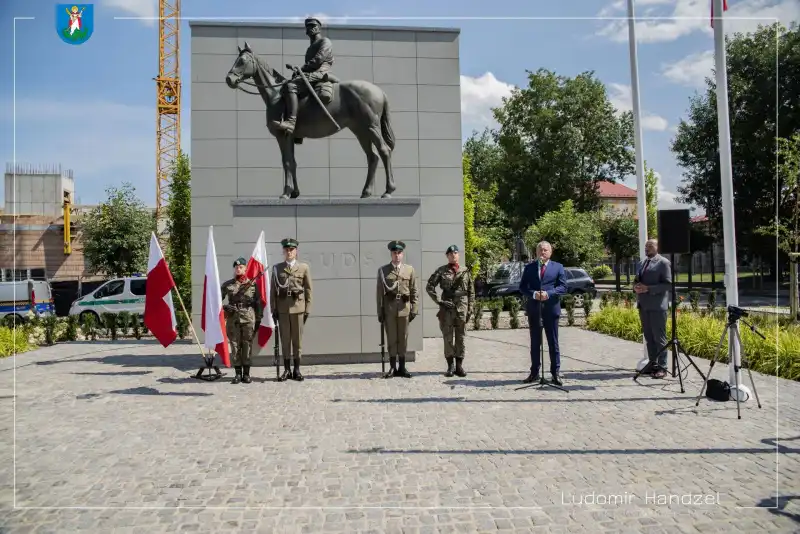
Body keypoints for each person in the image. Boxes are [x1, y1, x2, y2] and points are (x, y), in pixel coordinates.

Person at [274, 17, 334, 135]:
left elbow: (318, 60)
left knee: (291, 86)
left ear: (318, 28)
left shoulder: (325, 41)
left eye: (313, 26)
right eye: (308, 27)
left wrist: (301, 69)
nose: (311, 29)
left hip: (321, 73)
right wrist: (299, 71)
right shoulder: (309, 48)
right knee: (286, 84)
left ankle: (291, 122)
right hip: (310, 73)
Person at [519, 241, 567, 385]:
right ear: (536, 252)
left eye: (545, 250)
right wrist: (534, 294)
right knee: (535, 343)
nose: (543, 252)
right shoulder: (530, 268)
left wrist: (548, 293)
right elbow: (522, 287)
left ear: (550, 252)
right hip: (535, 309)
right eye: (540, 250)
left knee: (553, 342)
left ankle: (555, 373)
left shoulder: (558, 267)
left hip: (551, 309)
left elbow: (563, 287)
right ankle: (534, 372)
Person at [426, 245, 474, 377]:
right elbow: (429, 286)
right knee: (448, 337)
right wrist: (439, 301)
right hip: (447, 308)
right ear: (447, 256)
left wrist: (470, 309)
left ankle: (459, 365)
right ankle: (450, 366)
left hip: (462, 308)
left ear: (458, 255)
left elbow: (471, 292)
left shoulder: (465, 271)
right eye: (451, 253)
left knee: (461, 337)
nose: (453, 255)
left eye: (455, 253)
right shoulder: (441, 271)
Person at [270, 238, 313, 381]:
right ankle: (286, 370)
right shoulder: (277, 268)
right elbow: (273, 291)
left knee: (297, 340)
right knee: (285, 340)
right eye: (287, 250)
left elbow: (308, 289)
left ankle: (297, 370)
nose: (289, 252)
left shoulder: (303, 268)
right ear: (283, 251)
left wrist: (307, 308)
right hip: (282, 310)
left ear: (296, 251)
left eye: (291, 250)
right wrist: (273, 309)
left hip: (298, 308)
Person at [376, 240, 419, 378]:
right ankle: (392, 367)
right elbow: (379, 294)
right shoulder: (383, 271)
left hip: (404, 308)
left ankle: (402, 367)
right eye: (394, 253)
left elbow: (414, 290)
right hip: (389, 309)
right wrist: (380, 312)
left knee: (403, 338)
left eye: (399, 252)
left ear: (402, 254)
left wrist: (414, 308)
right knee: (392, 338)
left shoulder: (409, 270)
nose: (397, 255)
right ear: (391, 254)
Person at [634, 239, 672, 379]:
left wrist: (648, 289)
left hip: (657, 306)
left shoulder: (663, 263)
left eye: (650, 246)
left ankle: (663, 367)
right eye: (646, 246)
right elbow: (637, 279)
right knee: (649, 337)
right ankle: (652, 364)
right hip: (643, 305)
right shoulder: (642, 263)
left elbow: (668, 285)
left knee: (659, 338)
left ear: (657, 247)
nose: (647, 248)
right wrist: (636, 287)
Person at [221, 257, 260, 384]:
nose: (238, 269)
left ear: (245, 268)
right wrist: (225, 307)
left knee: (247, 345)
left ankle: (246, 374)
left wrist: (258, 319)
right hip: (233, 319)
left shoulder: (253, 284)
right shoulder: (227, 285)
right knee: (235, 346)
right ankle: (238, 373)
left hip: (248, 318)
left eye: (241, 267)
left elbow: (259, 303)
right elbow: (216, 301)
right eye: (236, 267)